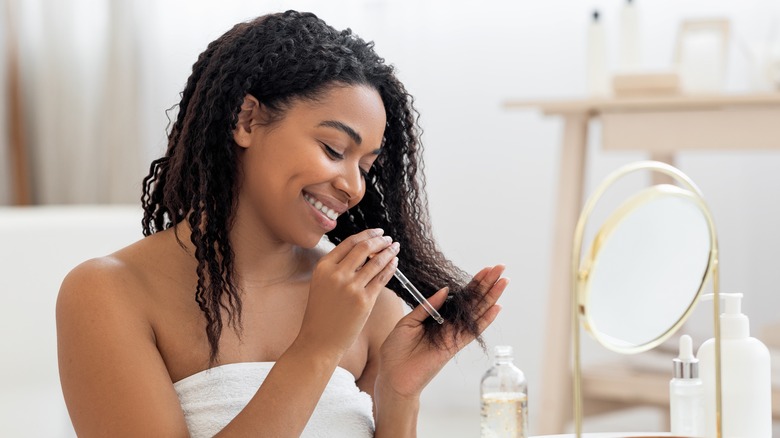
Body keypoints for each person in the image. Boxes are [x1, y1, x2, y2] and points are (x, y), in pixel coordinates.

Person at [56, 10, 508, 437]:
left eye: (366, 167)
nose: (354, 187)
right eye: (333, 149)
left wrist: (399, 394)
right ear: (247, 120)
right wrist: (316, 347)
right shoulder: (107, 294)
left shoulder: (370, 304)